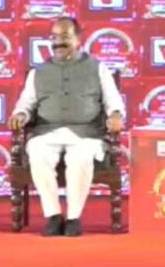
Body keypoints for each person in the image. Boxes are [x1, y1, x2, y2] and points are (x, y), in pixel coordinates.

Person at [8, 16, 124, 237]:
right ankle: (53, 216)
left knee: (80, 157)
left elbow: (113, 100)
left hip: (87, 133)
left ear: (78, 39)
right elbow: (26, 103)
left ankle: (73, 218)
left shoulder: (98, 68)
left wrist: (116, 114)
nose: (58, 42)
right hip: (47, 131)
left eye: (64, 37)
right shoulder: (38, 72)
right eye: (54, 37)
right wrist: (20, 114)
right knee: (37, 152)